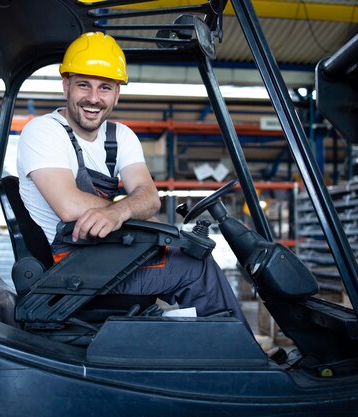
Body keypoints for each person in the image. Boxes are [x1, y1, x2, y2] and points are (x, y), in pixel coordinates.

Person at [17, 31, 251, 333]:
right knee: (197, 268)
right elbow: (69, 205)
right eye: (83, 85)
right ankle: (240, 358)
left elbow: (149, 197)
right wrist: (130, 210)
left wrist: (119, 212)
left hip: (109, 252)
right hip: (72, 266)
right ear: (66, 86)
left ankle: (208, 347)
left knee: (188, 252)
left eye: (105, 87)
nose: (93, 98)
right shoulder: (44, 132)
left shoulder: (120, 136)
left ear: (117, 94)